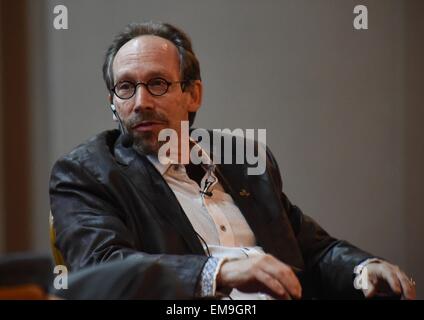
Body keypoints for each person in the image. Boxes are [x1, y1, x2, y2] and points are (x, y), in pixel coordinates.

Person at [49, 21, 416, 300]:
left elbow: (310, 248)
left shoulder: (244, 161)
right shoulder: (86, 173)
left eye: (158, 83)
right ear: (113, 102)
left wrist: (363, 268)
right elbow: (101, 271)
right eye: (126, 87)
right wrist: (219, 271)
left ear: (193, 94)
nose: (140, 101)